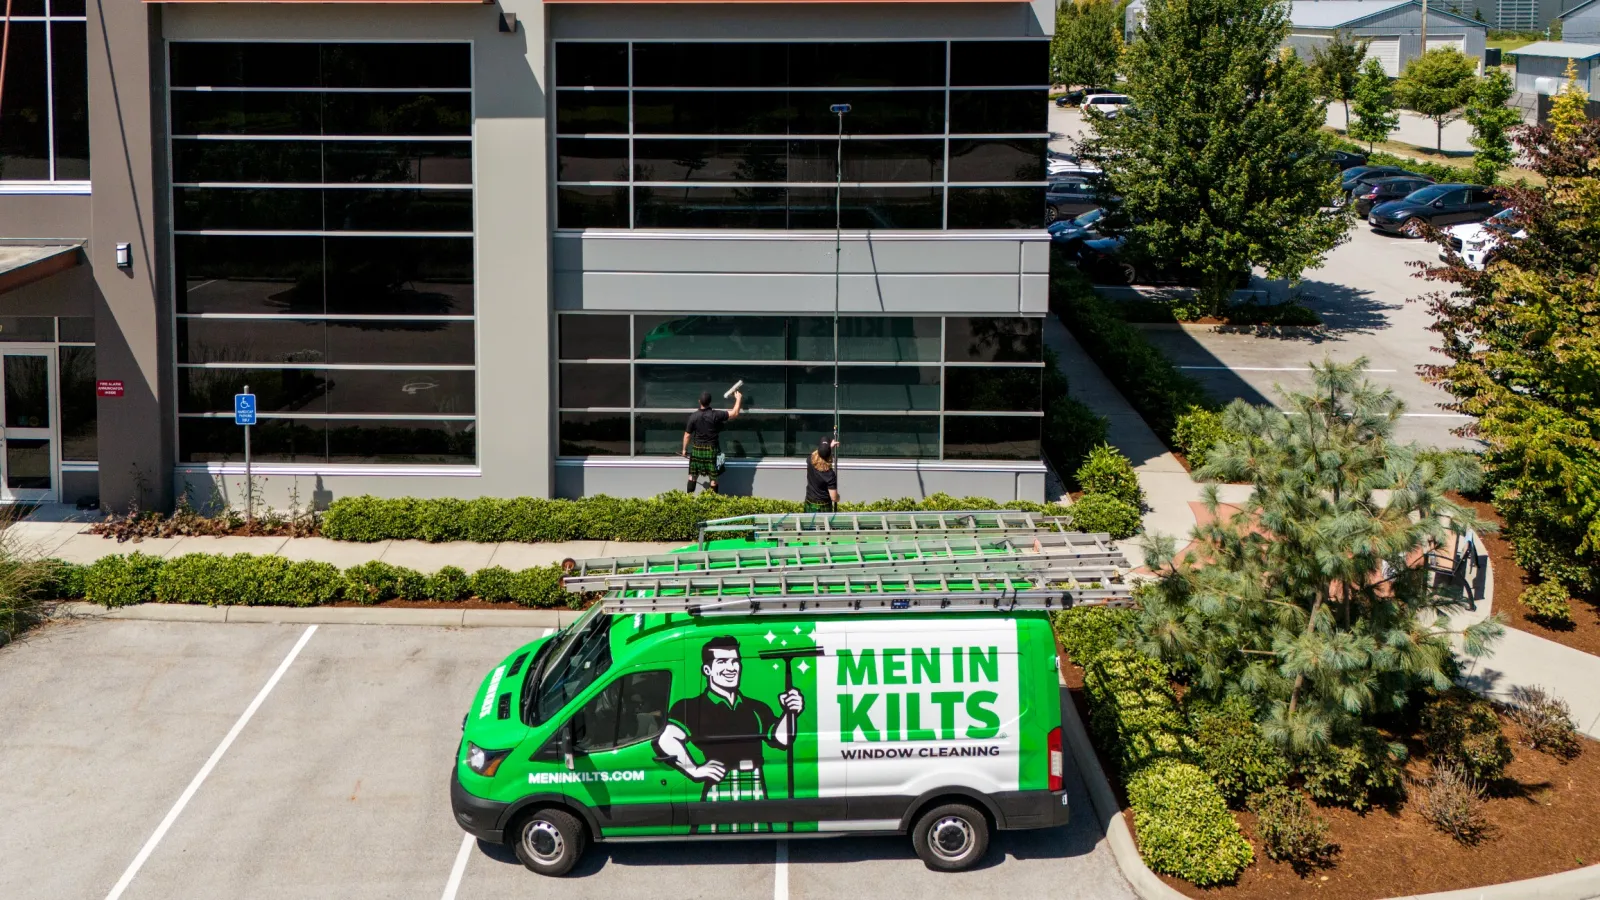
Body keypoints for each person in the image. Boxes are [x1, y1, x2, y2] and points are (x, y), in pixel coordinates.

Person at [654, 636, 804, 833]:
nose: (731, 668)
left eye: (735, 661)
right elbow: (666, 738)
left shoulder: (755, 708)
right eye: (722, 662)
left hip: (754, 783)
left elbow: (782, 738)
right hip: (719, 784)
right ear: (707, 670)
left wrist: (790, 712)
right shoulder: (691, 707)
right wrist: (695, 770)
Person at [681, 388, 741, 494]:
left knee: (692, 476)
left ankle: (688, 500)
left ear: (699, 401)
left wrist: (684, 450)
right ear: (710, 402)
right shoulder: (716, 415)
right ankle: (713, 503)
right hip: (711, 450)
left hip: (697, 450)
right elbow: (735, 413)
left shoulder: (693, 416)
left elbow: (687, 435)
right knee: (713, 479)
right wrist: (738, 398)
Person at [805, 437, 840, 512]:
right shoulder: (830, 474)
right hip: (824, 506)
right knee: (824, 524)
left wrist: (828, 447)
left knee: (810, 523)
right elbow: (834, 498)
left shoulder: (810, 460)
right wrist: (838, 497)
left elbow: (817, 453)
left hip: (810, 502)